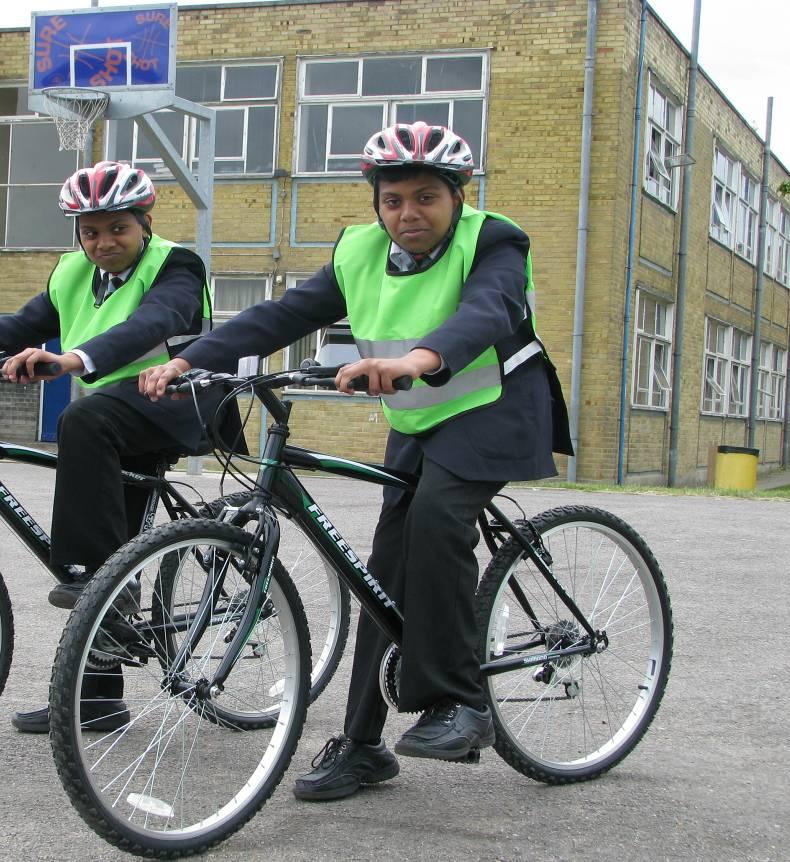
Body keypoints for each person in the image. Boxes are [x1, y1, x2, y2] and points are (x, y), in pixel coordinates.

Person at [140, 122, 573, 801]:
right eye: (393, 199)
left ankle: (460, 702)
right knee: (383, 573)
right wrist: (191, 359)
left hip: (495, 409)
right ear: (375, 203)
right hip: (419, 418)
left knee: (436, 520)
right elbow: (281, 315)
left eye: (426, 196)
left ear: (459, 196)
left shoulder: (494, 240)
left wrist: (412, 361)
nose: (408, 213)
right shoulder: (357, 250)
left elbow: (487, 312)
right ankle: (364, 745)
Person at [0, 160, 234, 735]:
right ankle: (96, 698)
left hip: (176, 406)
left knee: (82, 439)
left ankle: (89, 573)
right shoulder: (69, 273)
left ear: (144, 222)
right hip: (113, 421)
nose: (103, 242)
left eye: (118, 228)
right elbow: (10, 329)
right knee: (109, 523)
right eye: (90, 232)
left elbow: (151, 323)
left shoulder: (177, 265)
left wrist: (73, 360)